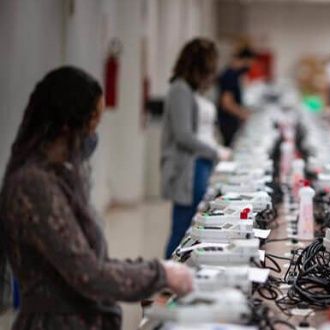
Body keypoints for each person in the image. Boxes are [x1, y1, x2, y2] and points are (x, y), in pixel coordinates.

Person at [0, 66, 193, 329]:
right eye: (93, 123)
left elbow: (92, 260)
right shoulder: (33, 186)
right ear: (69, 125)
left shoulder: (58, 177)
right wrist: (161, 274)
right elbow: (88, 274)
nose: (94, 136)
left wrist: (151, 268)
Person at [161, 38, 229, 258]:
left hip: (200, 163)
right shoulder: (180, 90)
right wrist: (215, 152)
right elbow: (183, 136)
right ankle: (169, 279)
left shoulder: (193, 90)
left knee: (193, 224)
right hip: (189, 168)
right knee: (184, 228)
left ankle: (179, 275)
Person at [216, 48, 255, 147]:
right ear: (244, 60)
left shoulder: (235, 75)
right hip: (227, 121)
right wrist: (243, 114)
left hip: (230, 120)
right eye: (249, 64)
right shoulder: (230, 76)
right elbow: (226, 103)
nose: (249, 67)